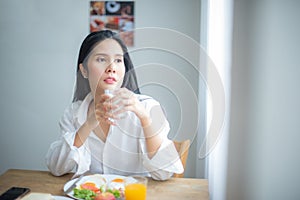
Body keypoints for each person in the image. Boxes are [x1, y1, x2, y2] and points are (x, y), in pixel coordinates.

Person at [45, 30, 184, 180]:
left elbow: (165, 173)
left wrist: (144, 118)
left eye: (118, 60)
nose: (112, 68)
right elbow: (57, 168)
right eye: (101, 59)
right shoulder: (74, 113)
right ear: (84, 70)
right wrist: (89, 124)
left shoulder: (148, 107)